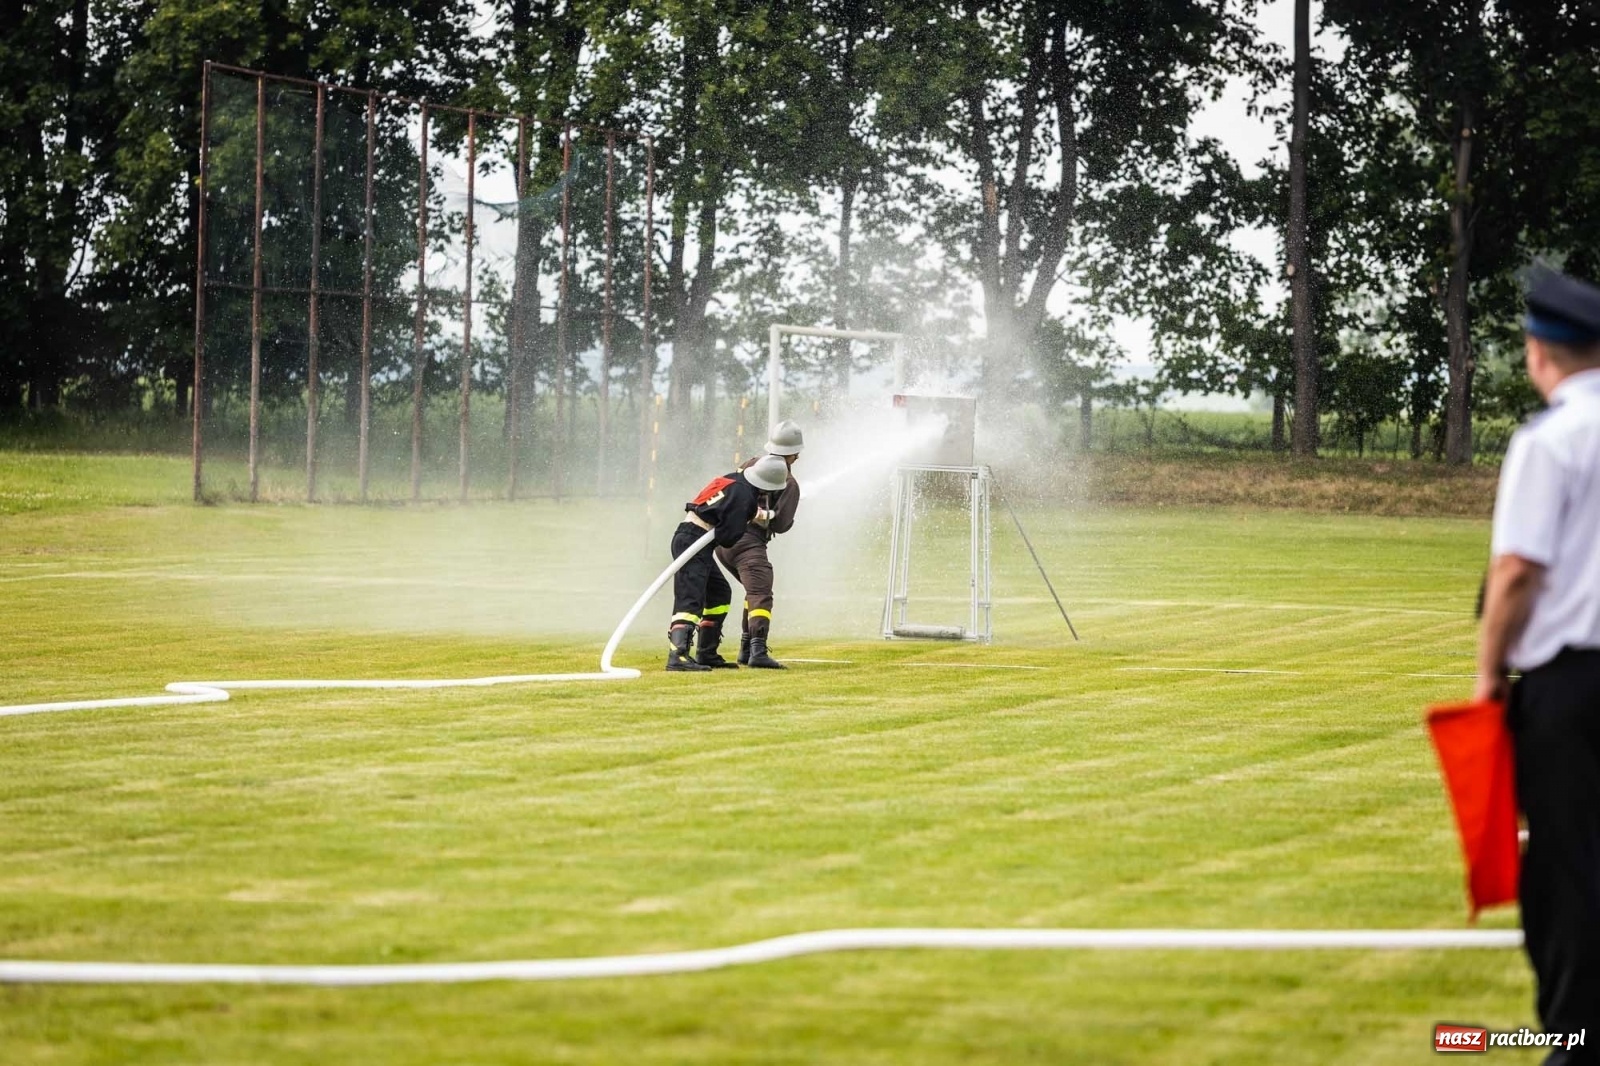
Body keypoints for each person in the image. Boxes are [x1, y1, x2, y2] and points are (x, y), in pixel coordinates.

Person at [1477, 266, 1600, 1062]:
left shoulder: (1550, 440)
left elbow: (1517, 570)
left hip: (1573, 686)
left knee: (1566, 866)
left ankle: (1576, 1040)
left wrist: (1488, 676)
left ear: (1538, 351)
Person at [666, 453, 790, 672]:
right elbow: (728, 537)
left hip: (692, 537)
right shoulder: (745, 496)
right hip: (693, 539)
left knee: (719, 593)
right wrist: (746, 516)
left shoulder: (735, 480)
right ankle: (678, 656)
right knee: (691, 597)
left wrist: (748, 514)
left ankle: (706, 653)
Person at [700, 420, 804, 670]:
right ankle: (757, 649)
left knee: (753, 590)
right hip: (748, 543)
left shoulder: (749, 464)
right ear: (794, 453)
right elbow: (780, 524)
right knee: (760, 592)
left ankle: (746, 648)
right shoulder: (789, 483)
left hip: (723, 541)